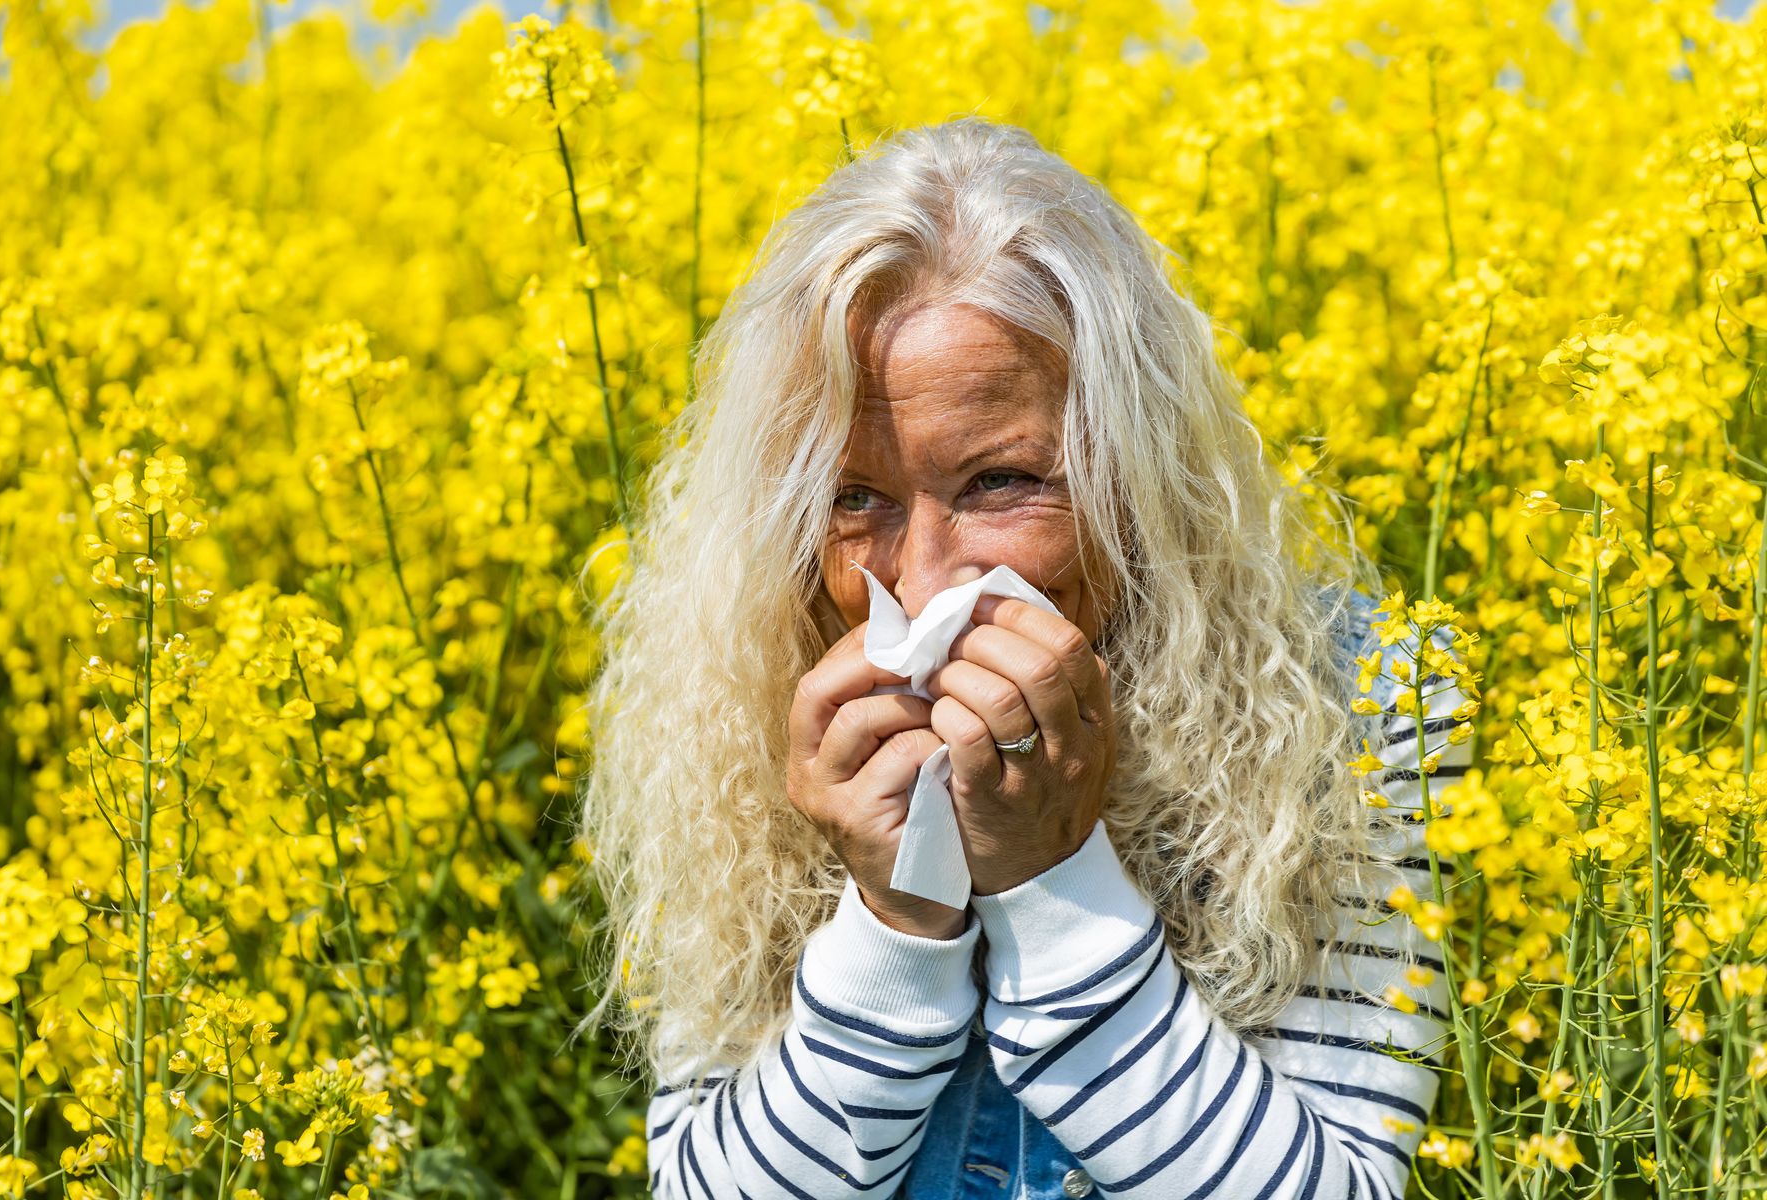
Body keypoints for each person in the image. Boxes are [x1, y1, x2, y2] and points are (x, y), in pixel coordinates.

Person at [578, 116, 1477, 1199]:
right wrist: (896, 921)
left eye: (1001, 483)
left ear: (1133, 475)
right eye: (853, 497)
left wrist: (1054, 884)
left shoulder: (1356, 697)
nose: (922, 581)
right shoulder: (737, 694)